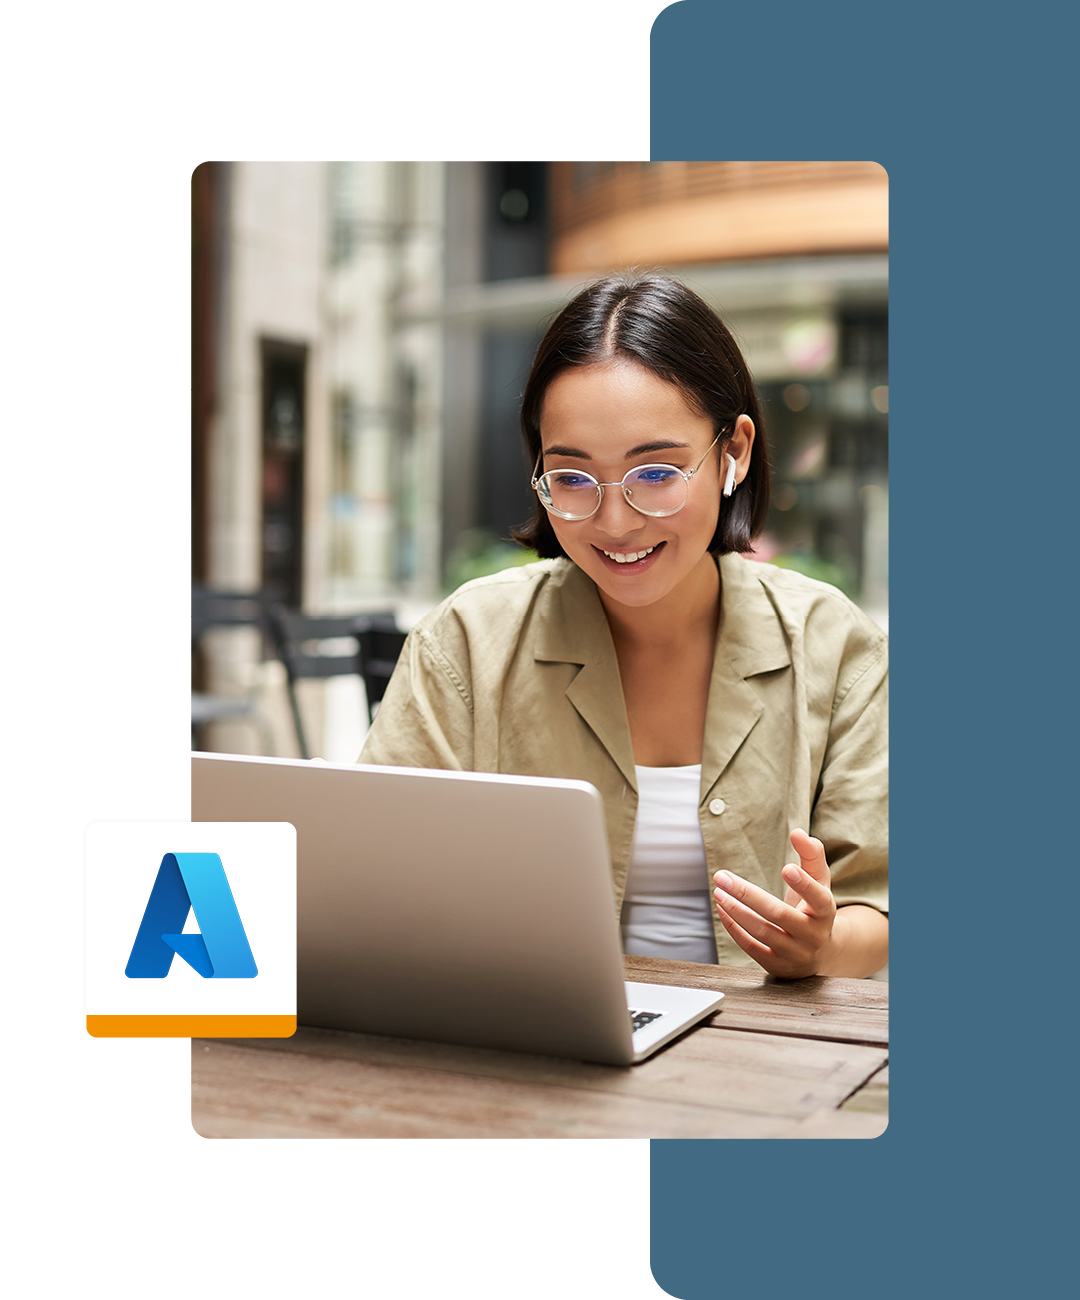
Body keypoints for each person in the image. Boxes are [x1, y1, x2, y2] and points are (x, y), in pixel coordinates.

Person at [360, 273, 887, 978]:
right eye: (573, 479)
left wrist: (819, 946)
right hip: (533, 1051)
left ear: (733, 453)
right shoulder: (466, 644)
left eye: (656, 473)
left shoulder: (835, 645)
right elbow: (371, 876)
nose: (614, 522)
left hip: (759, 1065)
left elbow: (872, 907)